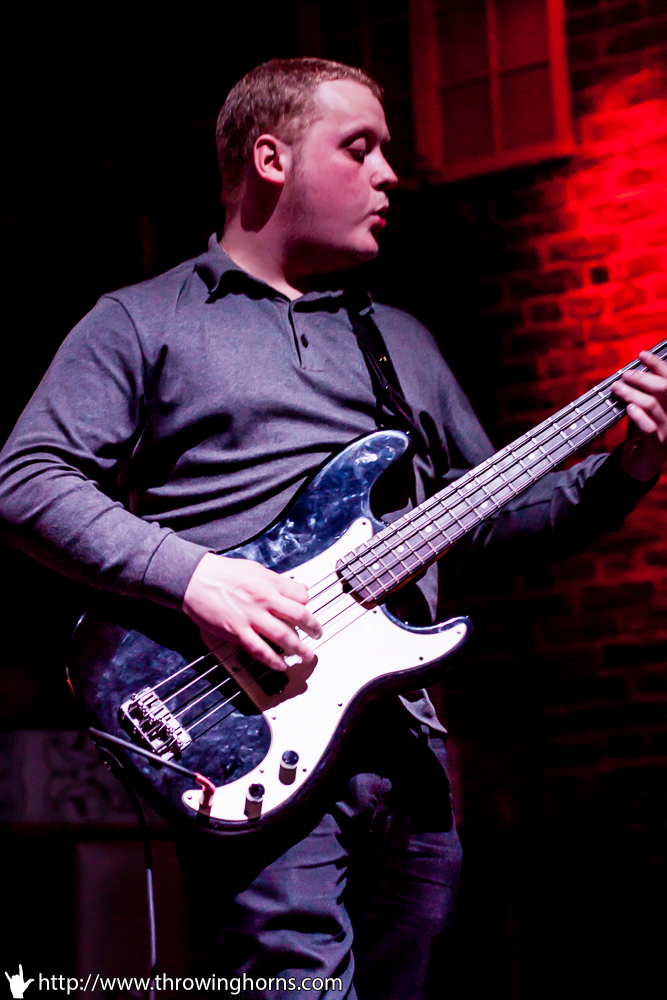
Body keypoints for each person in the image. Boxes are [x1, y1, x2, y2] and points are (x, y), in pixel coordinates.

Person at [1, 57, 667, 999]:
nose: (389, 174)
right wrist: (197, 578)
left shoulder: (401, 340)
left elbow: (487, 524)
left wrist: (629, 464)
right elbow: (28, 480)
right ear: (270, 158)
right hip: (243, 733)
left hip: (408, 751)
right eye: (359, 148)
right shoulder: (142, 321)